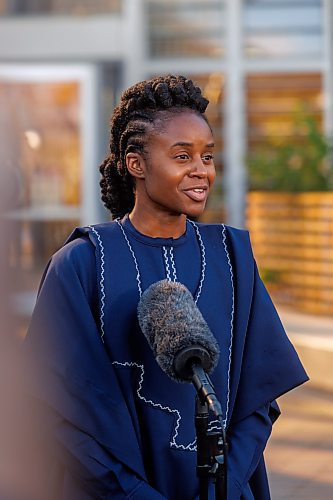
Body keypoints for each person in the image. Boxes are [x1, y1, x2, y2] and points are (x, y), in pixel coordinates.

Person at [24, 75, 308, 499]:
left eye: (207, 155)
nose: (201, 170)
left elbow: (259, 399)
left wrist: (224, 487)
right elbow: (57, 412)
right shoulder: (81, 264)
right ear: (136, 164)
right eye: (182, 155)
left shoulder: (233, 256)